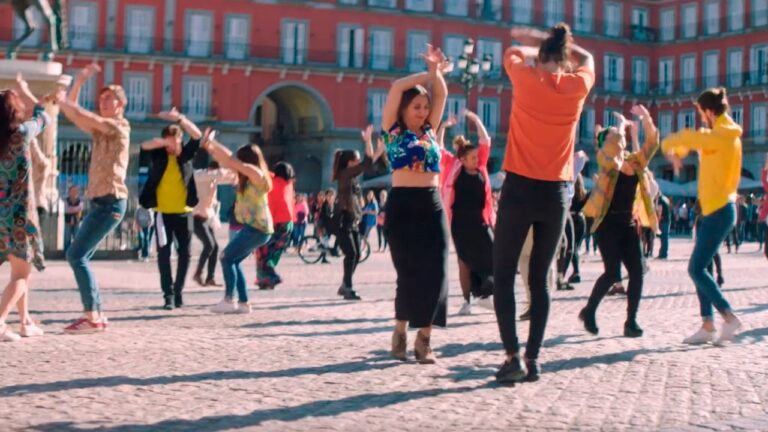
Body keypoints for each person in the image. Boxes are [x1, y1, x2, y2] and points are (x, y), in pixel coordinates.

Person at [493, 23, 594, 384]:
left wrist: (536, 45)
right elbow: (589, 59)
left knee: (504, 274)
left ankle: (512, 356)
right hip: (555, 194)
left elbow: (512, 53)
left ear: (541, 61)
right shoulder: (576, 86)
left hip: (519, 188)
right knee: (540, 280)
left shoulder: (524, 78)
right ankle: (534, 360)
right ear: (564, 64)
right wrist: (560, 49)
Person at [381, 44, 449, 364]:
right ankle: (400, 331)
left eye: (425, 106)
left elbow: (443, 95)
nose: (423, 112)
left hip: (431, 204)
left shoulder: (430, 130)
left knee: (436, 271)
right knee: (407, 272)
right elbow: (397, 87)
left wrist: (437, 73)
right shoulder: (391, 131)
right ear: (405, 109)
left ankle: (425, 339)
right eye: (417, 107)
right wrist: (428, 73)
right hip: (402, 205)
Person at [662, 87, 743, 345]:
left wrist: (670, 147)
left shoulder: (720, 137)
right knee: (704, 266)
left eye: (701, 113)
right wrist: (680, 152)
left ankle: (728, 316)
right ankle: (707, 325)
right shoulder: (722, 135)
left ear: (708, 111)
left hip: (719, 210)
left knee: (695, 268)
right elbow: (694, 141)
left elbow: (687, 137)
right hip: (713, 210)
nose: (701, 118)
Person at [58, 63, 130, 334]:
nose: (103, 102)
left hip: (111, 202)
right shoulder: (101, 131)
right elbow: (73, 112)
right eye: (100, 98)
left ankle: (92, 316)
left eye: (109, 98)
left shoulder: (119, 127)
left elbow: (85, 115)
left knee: (76, 255)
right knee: (80, 255)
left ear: (121, 104)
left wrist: (68, 97)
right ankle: (96, 314)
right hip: (102, 203)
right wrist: (78, 82)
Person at [579, 105, 659, 338]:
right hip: (608, 226)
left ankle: (631, 321)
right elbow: (611, 149)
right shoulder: (607, 166)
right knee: (612, 273)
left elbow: (652, 143)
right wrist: (622, 127)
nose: (620, 146)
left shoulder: (636, 163)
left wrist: (645, 118)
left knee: (637, 272)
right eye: (616, 142)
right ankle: (589, 311)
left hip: (628, 225)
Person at [0, 75, 52, 342]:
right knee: (21, 274)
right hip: (20, 215)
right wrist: (36, 102)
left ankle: (25, 321)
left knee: (20, 270)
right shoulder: (21, 134)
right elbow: (45, 120)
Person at [139, 108, 203, 310]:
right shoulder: (158, 155)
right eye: (169, 141)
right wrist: (163, 143)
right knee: (163, 254)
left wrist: (180, 119)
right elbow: (144, 145)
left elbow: (197, 135)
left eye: (175, 141)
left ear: (180, 140)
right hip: (161, 214)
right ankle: (167, 295)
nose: (172, 145)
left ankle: (178, 292)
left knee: (186, 254)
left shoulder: (186, 155)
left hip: (185, 212)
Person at [203, 131, 273, 315]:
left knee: (226, 257)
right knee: (233, 260)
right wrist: (210, 146)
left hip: (258, 228)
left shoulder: (256, 173)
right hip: (254, 228)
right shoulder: (246, 176)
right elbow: (229, 160)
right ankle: (243, 303)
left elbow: (230, 161)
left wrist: (212, 143)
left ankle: (229, 300)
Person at [441, 110, 496, 315]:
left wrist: (475, 120)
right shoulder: (453, 166)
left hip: (481, 220)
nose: (477, 159)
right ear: (462, 159)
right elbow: (438, 148)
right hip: (460, 223)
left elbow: (485, 140)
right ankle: (467, 302)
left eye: (476, 156)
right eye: (471, 157)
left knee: (492, 253)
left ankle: (485, 293)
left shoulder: (481, 166)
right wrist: (444, 127)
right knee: (464, 262)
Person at [332, 126, 385, 300]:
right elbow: (366, 163)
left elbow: (367, 163)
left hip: (353, 220)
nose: (359, 161)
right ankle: (347, 286)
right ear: (350, 162)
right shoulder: (345, 174)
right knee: (352, 254)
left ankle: (345, 284)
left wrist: (379, 149)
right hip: (343, 221)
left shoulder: (351, 175)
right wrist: (368, 141)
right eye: (356, 159)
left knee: (357, 254)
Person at [192, 161, 236, 287]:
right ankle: (198, 273)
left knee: (214, 247)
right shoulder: (200, 175)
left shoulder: (213, 179)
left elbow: (224, 178)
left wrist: (236, 175)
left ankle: (209, 277)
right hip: (195, 217)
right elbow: (218, 175)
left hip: (206, 218)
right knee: (209, 245)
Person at [256, 162, 297, 290]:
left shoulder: (273, 183)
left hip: (277, 223)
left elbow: (273, 204)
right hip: (289, 224)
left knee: (263, 252)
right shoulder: (289, 184)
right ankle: (264, 280)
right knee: (272, 253)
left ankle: (271, 277)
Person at [63, 185, 83, 253]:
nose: (74, 192)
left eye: (76, 191)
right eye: (73, 191)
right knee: (67, 238)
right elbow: (67, 209)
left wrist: (72, 209)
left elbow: (80, 208)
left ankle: (76, 252)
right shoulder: (66, 200)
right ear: (69, 192)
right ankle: (66, 252)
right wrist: (75, 209)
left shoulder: (79, 201)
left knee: (77, 238)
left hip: (77, 221)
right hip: (68, 221)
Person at [657, 193, 671, 259]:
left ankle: (662, 254)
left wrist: (658, 221)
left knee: (663, 238)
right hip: (667, 220)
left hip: (663, 221)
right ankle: (664, 253)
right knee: (665, 238)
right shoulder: (665, 199)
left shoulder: (660, 200)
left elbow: (660, 211)